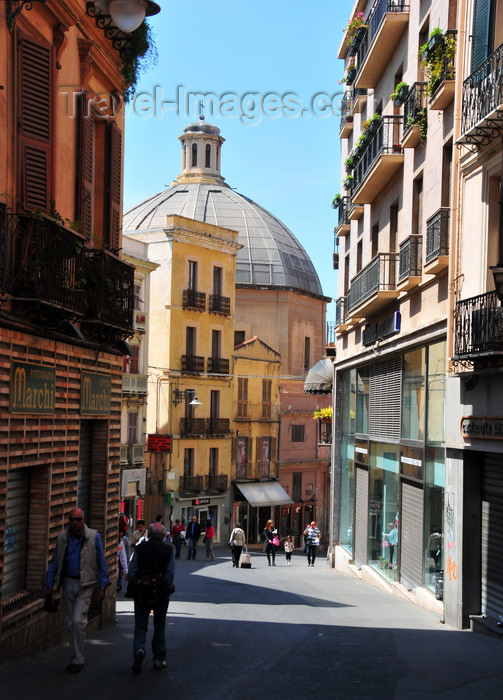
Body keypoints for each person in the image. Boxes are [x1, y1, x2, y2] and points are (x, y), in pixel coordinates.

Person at [43, 507, 110, 673]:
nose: (75, 523)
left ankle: (78, 659)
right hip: (67, 584)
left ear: (83, 520)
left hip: (85, 585)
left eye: (78, 519)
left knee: (78, 621)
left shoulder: (94, 537)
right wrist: (49, 584)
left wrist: (102, 586)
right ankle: (75, 657)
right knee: (71, 623)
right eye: (72, 520)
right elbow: (55, 563)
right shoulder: (62, 539)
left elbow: (101, 562)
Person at [127, 522, 175, 674]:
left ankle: (139, 649)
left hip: (142, 592)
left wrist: (137, 586)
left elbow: (132, 570)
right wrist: (164, 587)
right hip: (161, 593)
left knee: (140, 625)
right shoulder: (169, 550)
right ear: (162, 536)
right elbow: (170, 573)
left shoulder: (140, 549)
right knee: (159, 626)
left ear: (148, 535)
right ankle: (159, 658)